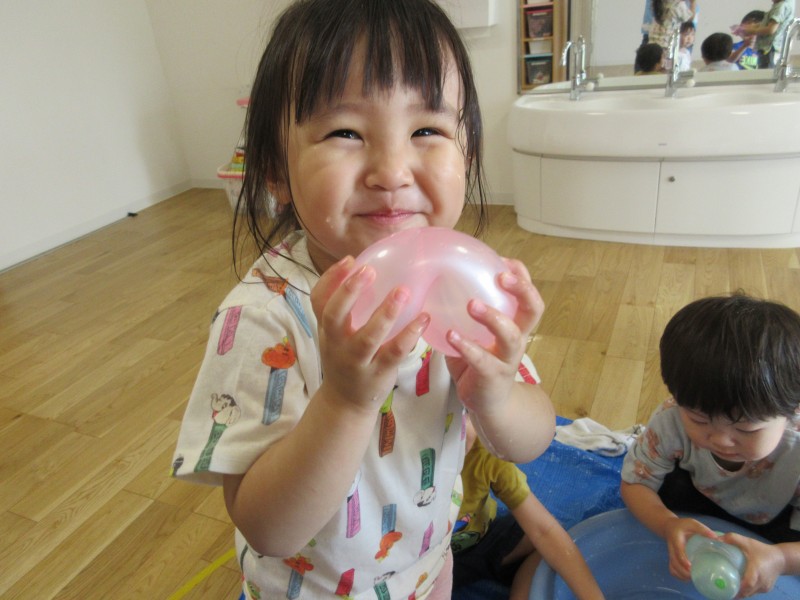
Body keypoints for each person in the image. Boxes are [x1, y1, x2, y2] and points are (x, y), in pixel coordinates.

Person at [170, 1, 556, 599]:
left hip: (429, 569)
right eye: (345, 132)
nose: (392, 170)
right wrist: (346, 401)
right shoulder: (264, 316)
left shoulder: (463, 287)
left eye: (427, 131)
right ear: (275, 170)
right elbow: (269, 528)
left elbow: (530, 441)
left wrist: (499, 394)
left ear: (469, 152)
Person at [620, 294, 800, 597]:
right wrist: (667, 525)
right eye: (699, 420)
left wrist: (781, 558)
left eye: (745, 429)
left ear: (791, 410)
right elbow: (635, 483)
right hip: (698, 502)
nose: (720, 440)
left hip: (772, 523)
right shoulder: (672, 419)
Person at [452, 420, 605, 600]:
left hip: (477, 543)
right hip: (428, 567)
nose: (462, 428)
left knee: (542, 541)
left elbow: (544, 531)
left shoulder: (484, 452)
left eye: (467, 413)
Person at [740, 0, 796, 69]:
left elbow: (771, 29)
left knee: (766, 71)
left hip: (770, 48)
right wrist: (749, 27)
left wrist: (752, 31)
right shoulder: (788, 4)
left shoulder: (781, 6)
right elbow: (766, 23)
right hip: (777, 48)